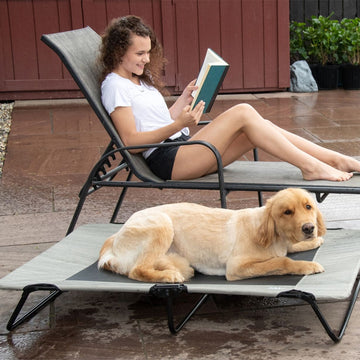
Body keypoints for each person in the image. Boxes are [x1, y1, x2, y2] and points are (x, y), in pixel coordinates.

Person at [100, 15, 360, 182]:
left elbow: (155, 122)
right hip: (169, 160)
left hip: (182, 148)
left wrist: (183, 101)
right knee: (243, 111)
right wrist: (178, 125)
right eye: (140, 53)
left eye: (148, 52)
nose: (146, 59)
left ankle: (336, 160)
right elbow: (131, 143)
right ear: (119, 52)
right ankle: (311, 167)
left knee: (260, 128)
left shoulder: (137, 80)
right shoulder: (115, 86)